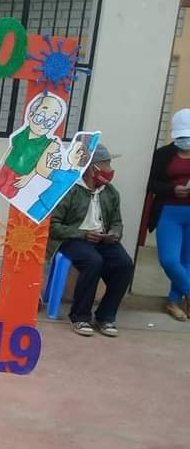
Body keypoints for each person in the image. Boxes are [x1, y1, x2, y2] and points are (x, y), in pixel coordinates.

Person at [48, 143, 133, 337]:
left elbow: (117, 222)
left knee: (124, 264)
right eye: (106, 164)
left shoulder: (111, 192)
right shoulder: (70, 190)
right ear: (91, 168)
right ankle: (80, 316)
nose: (110, 170)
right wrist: (82, 234)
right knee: (93, 261)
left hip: (102, 240)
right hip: (73, 239)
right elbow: (54, 226)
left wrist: (115, 233)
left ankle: (105, 316)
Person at [147, 108, 190, 321]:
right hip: (168, 211)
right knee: (170, 259)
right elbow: (151, 183)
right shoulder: (163, 154)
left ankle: (174, 302)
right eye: (182, 137)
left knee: (187, 259)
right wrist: (172, 190)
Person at [0, 93, 66, 199]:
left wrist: (28, 177)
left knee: (8, 194)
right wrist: (0, 167)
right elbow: (11, 149)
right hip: (7, 166)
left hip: (20, 175)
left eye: (50, 122)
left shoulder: (47, 143)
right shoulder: (23, 133)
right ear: (31, 115)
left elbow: (40, 164)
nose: (43, 125)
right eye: (40, 118)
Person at [27, 132, 98, 222]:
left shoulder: (66, 177)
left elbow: (41, 169)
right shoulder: (74, 176)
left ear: (79, 154)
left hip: (43, 208)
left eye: (72, 149)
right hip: (51, 211)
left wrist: (47, 150)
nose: (69, 151)